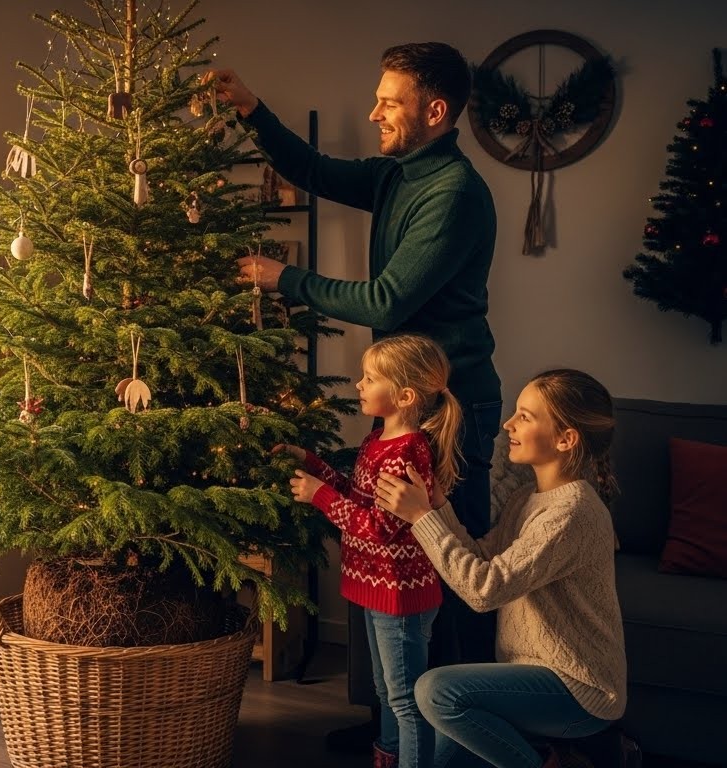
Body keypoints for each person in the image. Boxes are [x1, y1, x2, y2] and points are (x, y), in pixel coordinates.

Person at [205, 43, 504, 751]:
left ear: (433, 112)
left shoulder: (452, 193)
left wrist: (284, 280)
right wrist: (251, 109)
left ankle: (449, 744)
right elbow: (312, 170)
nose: (373, 112)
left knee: (443, 578)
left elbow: (387, 297)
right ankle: (393, 736)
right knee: (394, 567)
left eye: (388, 101)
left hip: (446, 408)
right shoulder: (402, 173)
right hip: (408, 401)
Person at [375, 369, 627, 768]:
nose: (508, 424)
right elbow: (482, 557)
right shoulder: (529, 498)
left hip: (577, 690)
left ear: (566, 439)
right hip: (526, 678)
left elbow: (484, 591)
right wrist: (438, 507)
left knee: (436, 691)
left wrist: (421, 518)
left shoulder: (571, 511)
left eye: (525, 416)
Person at [280, 334, 462, 768]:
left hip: (399, 596)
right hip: (373, 588)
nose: (358, 385)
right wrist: (312, 463)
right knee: (386, 691)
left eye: (369, 378)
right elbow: (359, 499)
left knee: (404, 698)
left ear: (403, 395)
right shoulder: (377, 439)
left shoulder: (407, 451)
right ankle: (389, 757)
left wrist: (320, 496)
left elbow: (380, 528)